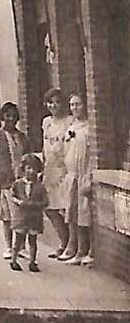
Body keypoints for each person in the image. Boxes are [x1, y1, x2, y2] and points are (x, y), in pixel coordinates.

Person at [0, 101, 31, 259]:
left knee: (22, 215)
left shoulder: (22, 137)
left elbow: (28, 158)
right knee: (7, 217)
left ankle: (21, 247)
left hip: (21, 182)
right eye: (7, 115)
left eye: (13, 116)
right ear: (2, 117)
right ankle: (8, 246)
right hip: (5, 182)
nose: (10, 119)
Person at [61, 94, 94, 265]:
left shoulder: (89, 128)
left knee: (84, 214)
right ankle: (74, 248)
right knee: (72, 213)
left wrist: (88, 176)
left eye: (78, 104)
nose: (74, 108)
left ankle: (85, 250)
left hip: (83, 175)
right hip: (71, 175)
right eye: (72, 105)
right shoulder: (71, 126)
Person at [40, 88, 71, 258]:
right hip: (49, 170)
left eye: (57, 102)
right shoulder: (46, 122)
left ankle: (71, 245)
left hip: (64, 169)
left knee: (65, 208)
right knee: (50, 207)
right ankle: (63, 241)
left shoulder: (69, 121)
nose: (53, 105)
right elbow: (44, 147)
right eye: (50, 102)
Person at [9, 153, 50, 272]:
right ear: (23, 169)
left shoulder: (40, 187)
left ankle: (32, 261)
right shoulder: (18, 184)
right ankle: (13, 260)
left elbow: (46, 202)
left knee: (33, 240)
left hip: (34, 217)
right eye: (29, 168)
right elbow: (12, 196)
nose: (32, 172)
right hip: (21, 217)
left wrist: (35, 205)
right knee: (18, 240)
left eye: (35, 169)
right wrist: (18, 202)